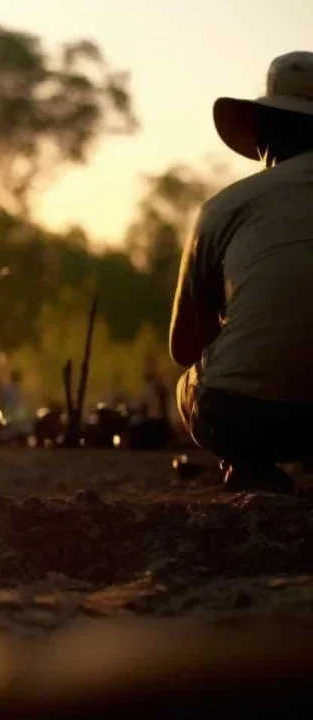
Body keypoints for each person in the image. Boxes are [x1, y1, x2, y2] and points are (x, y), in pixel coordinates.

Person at [170, 51, 313, 492]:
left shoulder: (225, 206)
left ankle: (248, 465)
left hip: (243, 415)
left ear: (261, 129)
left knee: (190, 386)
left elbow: (184, 345)